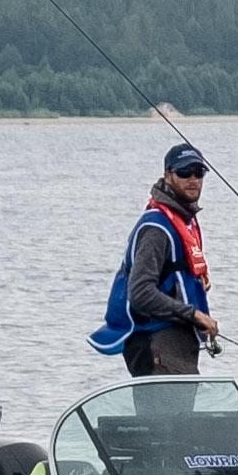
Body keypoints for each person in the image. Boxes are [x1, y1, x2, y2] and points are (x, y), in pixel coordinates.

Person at [94, 147, 219, 375]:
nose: (193, 179)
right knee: (171, 401)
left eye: (199, 172)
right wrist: (193, 314)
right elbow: (140, 293)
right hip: (156, 344)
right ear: (167, 175)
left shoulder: (181, 220)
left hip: (176, 345)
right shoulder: (156, 228)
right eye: (184, 172)